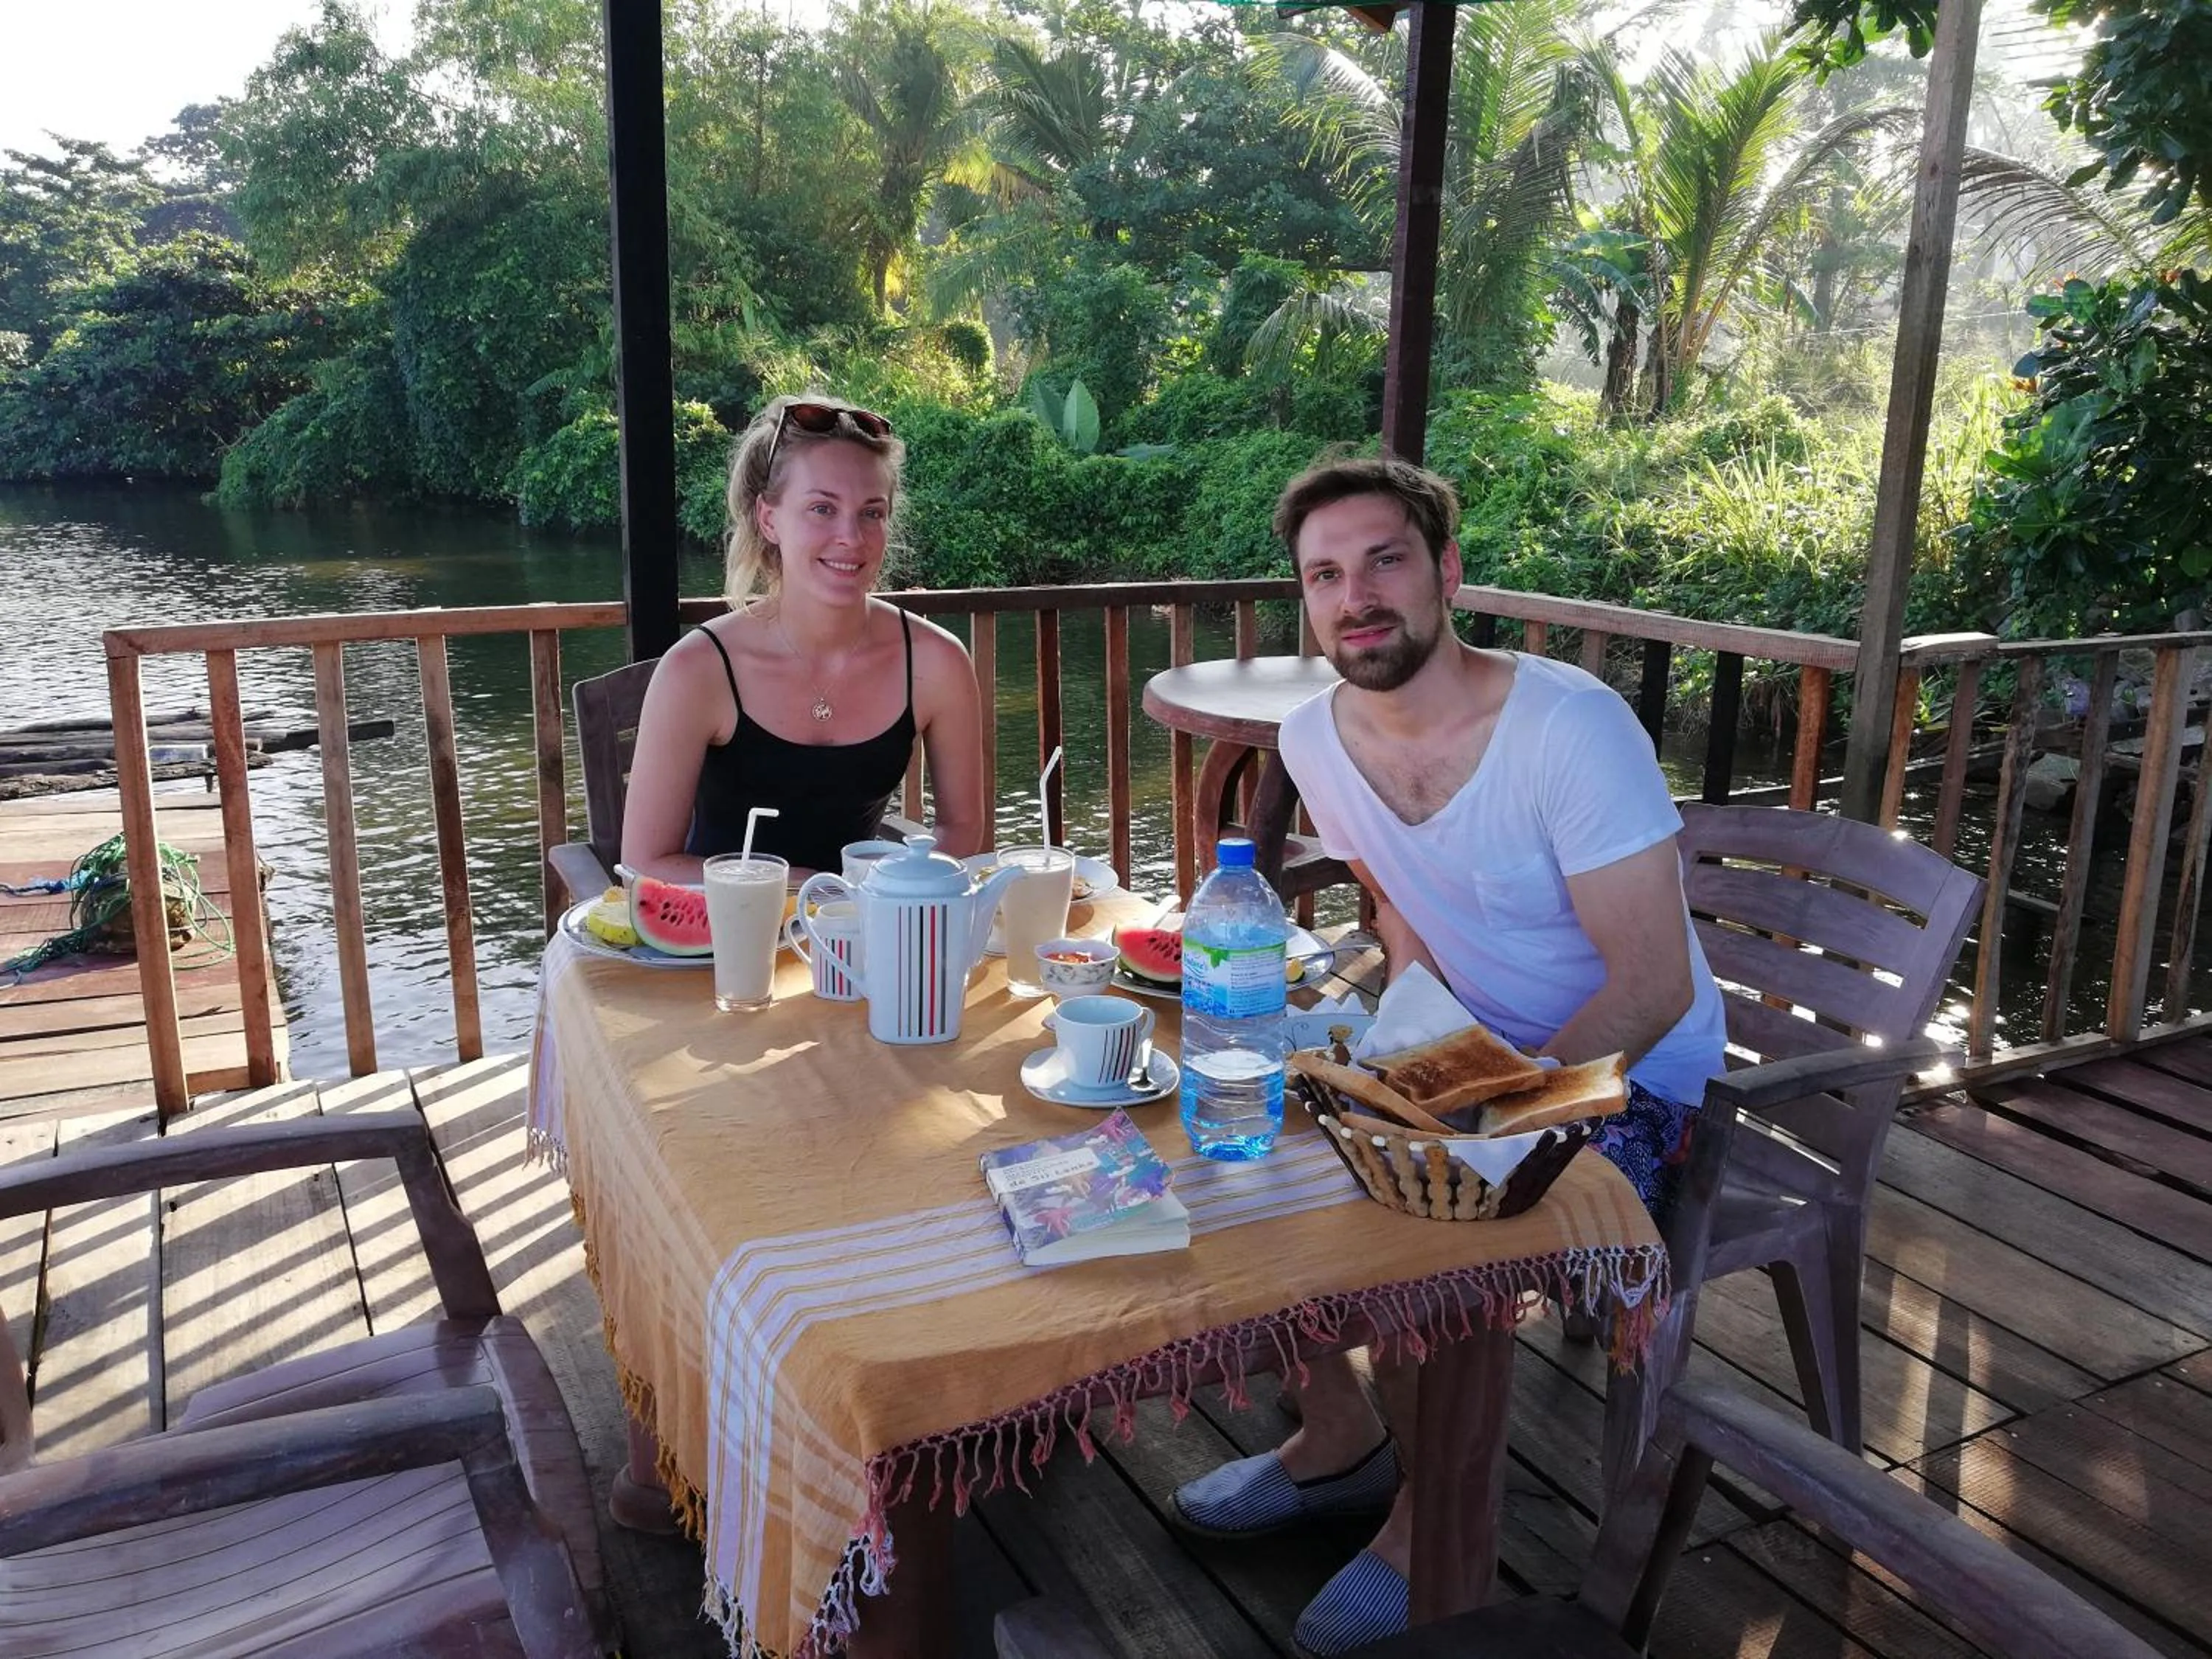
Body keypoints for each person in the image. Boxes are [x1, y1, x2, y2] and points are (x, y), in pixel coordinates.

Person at [1167, 455, 1727, 1655]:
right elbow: (1402, 908)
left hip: (1637, 1073)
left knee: (1419, 1238)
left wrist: (1487, 1114)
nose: (1356, 594)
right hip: (1468, 1043)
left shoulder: (1569, 728)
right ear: (1306, 602)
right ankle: (1339, 1439)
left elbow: (1653, 982)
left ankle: (1430, 1532)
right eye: (1326, 575)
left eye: (1385, 560)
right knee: (1236, 1131)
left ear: (1447, 571)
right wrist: (1397, 1052)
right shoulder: (1315, 737)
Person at [621, 395, 987, 880]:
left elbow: (962, 827)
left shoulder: (937, 662)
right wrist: (819, 890)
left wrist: (892, 893)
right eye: (822, 508)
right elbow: (646, 862)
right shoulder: (697, 669)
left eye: (871, 513)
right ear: (769, 519)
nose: (851, 538)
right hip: (721, 934)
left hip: (863, 937)